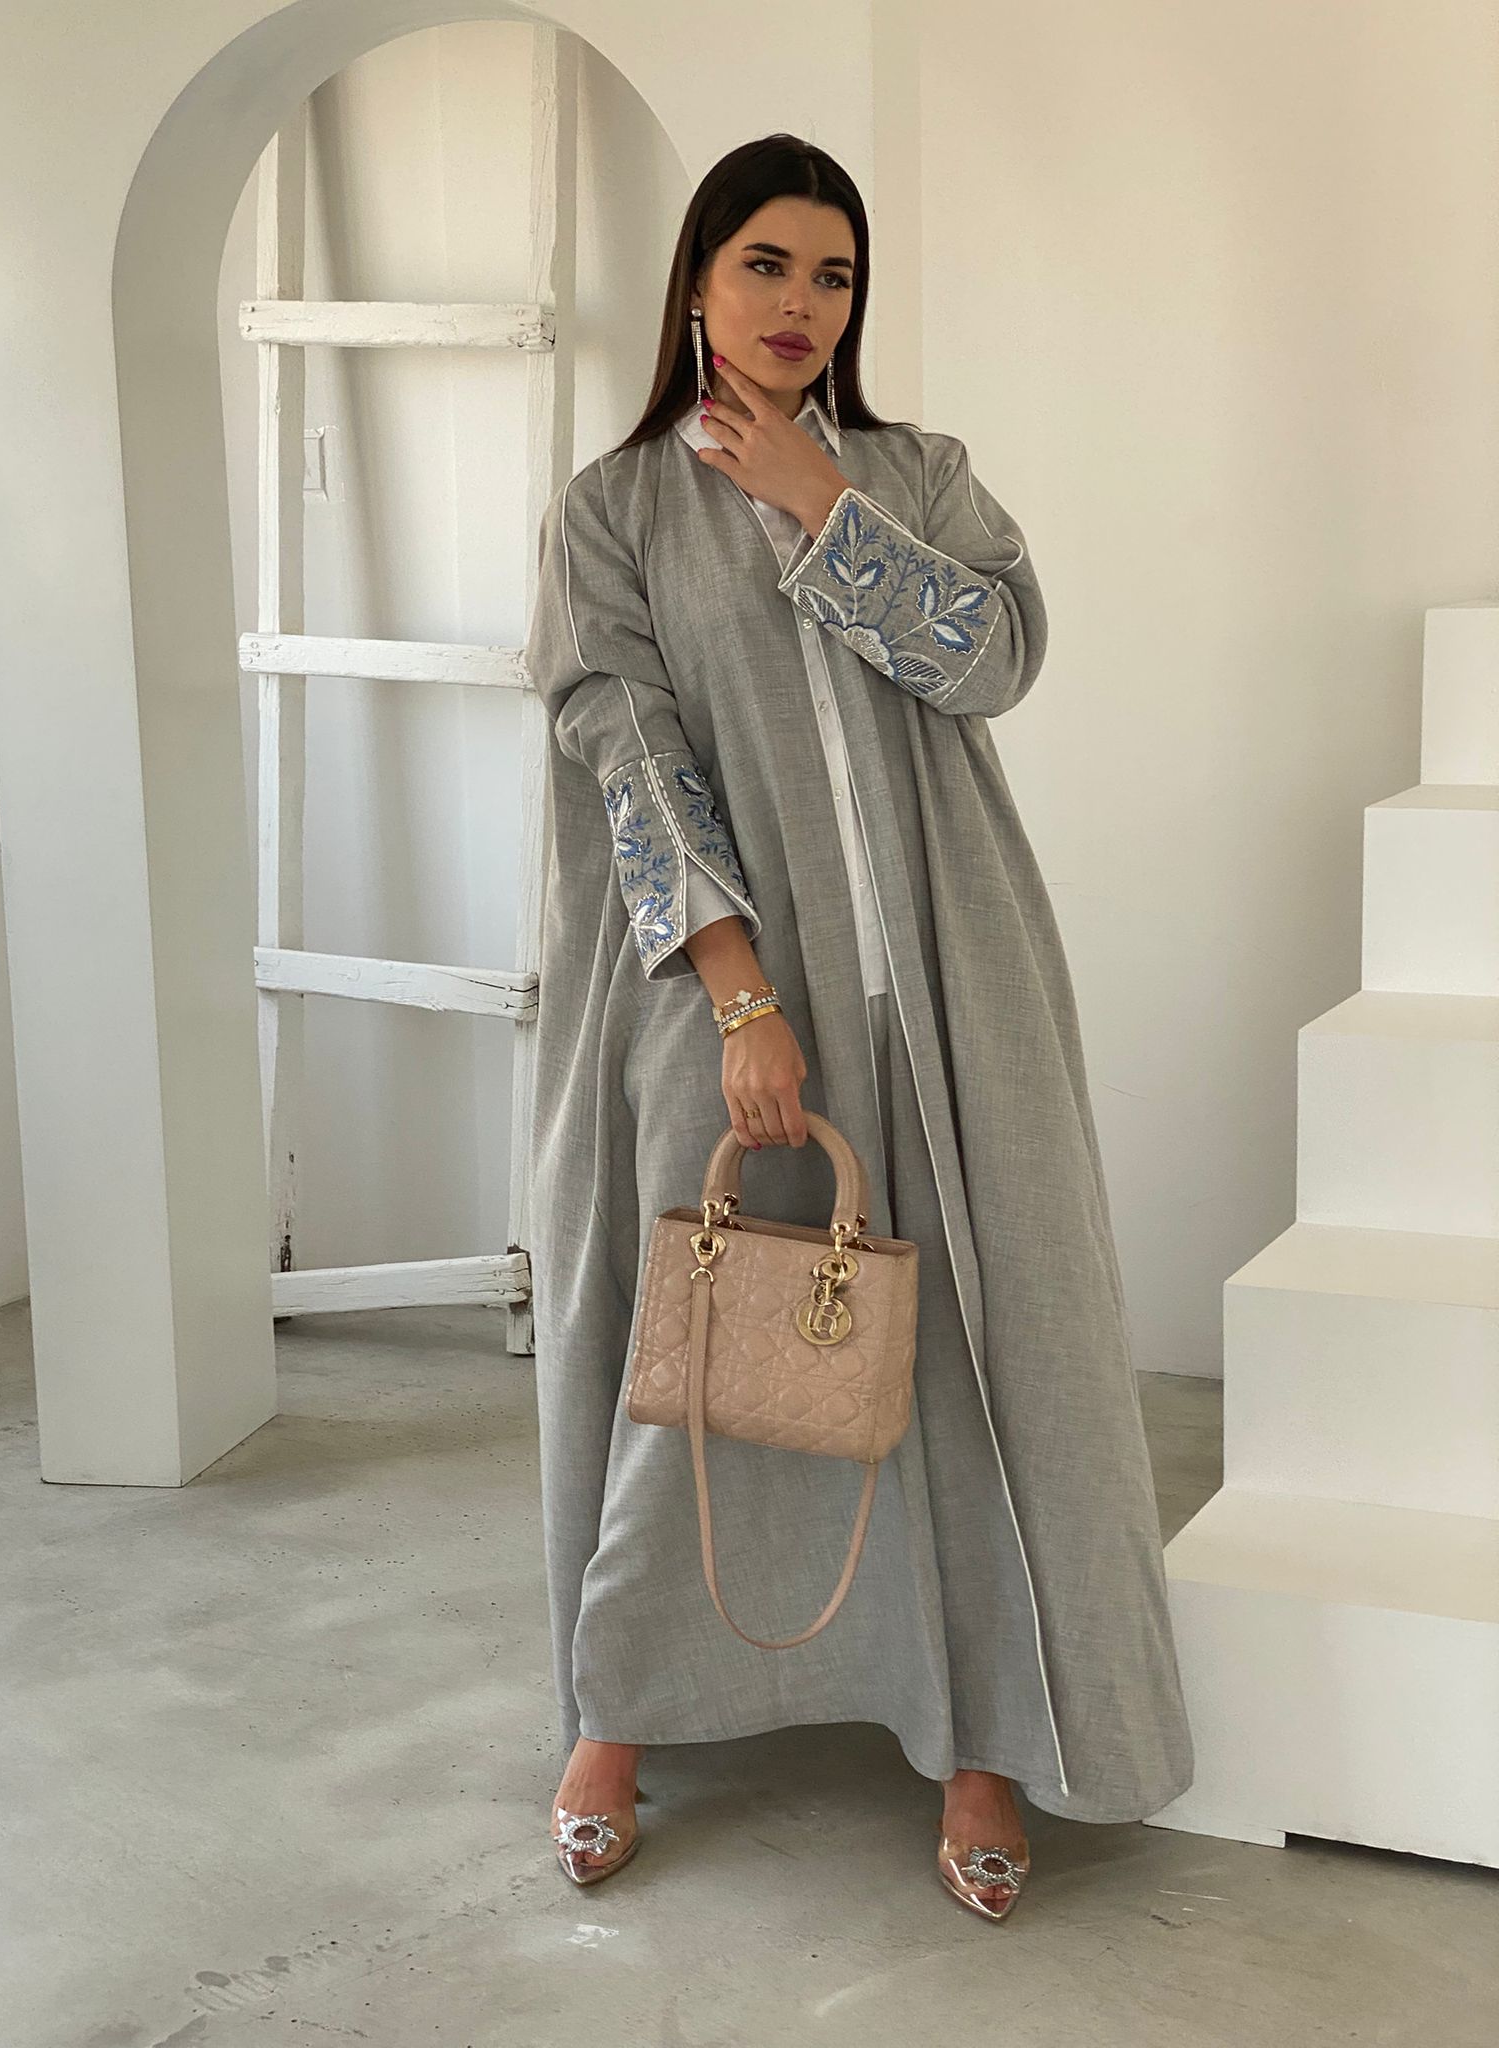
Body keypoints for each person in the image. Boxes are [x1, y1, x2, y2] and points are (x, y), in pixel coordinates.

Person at [520, 133, 1194, 1920]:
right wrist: (743, 996)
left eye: (832, 274)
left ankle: (982, 1733)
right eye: (766, 264)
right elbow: (627, 753)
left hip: (954, 980)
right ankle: (616, 1715)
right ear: (695, 278)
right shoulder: (612, 510)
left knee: (969, 1348)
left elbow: (993, 660)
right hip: (722, 991)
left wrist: (824, 501)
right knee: (702, 1348)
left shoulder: (915, 474)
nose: (799, 303)